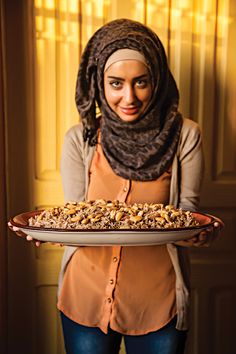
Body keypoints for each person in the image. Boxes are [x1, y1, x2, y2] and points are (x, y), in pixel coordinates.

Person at [9, 18, 222, 354]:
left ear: (158, 80)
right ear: (99, 83)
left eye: (141, 82)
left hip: (157, 302)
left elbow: (186, 217)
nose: (129, 97)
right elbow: (75, 215)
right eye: (115, 83)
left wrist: (201, 232)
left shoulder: (185, 136)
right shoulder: (81, 139)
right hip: (85, 297)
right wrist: (45, 230)